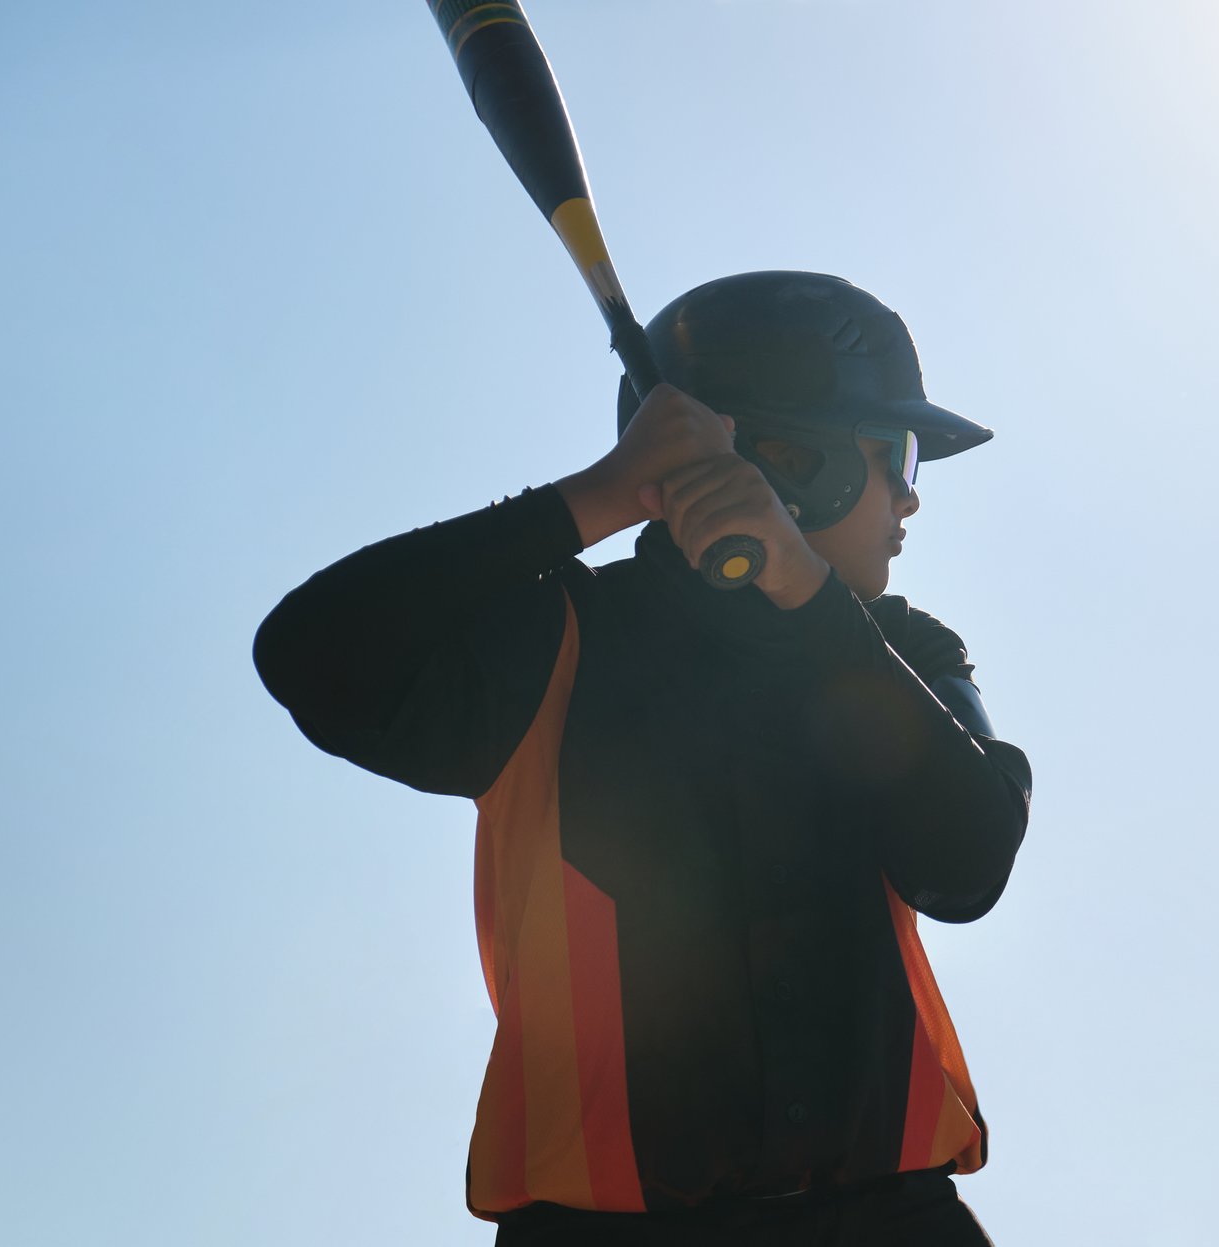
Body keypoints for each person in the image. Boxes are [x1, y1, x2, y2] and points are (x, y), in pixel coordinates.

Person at [253, 270, 1030, 1245]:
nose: (911, 502)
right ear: (799, 461)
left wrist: (806, 597)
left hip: (890, 1222)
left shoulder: (904, 653)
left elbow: (967, 864)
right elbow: (309, 653)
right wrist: (601, 496)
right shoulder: (556, 643)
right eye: (899, 457)